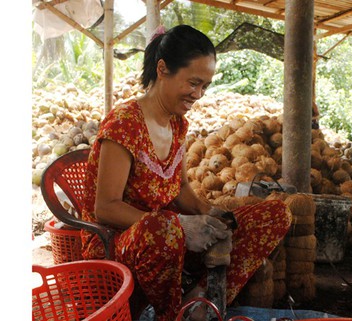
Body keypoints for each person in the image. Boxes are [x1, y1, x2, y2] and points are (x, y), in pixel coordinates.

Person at [80, 25, 292, 321]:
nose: (199, 94)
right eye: (193, 83)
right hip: (118, 242)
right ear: (163, 69)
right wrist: (179, 226)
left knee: (274, 214)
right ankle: (173, 313)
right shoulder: (125, 124)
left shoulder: (178, 124)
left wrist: (212, 214)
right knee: (162, 229)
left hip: (168, 236)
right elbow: (105, 208)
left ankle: (198, 299)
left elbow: (180, 190)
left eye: (205, 86)